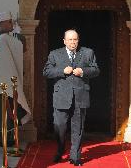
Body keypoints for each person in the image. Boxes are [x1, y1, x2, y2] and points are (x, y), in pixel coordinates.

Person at [43, 29, 100, 166]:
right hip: (61, 96)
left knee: (78, 128)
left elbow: (96, 70)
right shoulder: (55, 54)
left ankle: (75, 156)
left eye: (75, 39)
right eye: (70, 40)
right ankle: (61, 149)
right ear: (64, 41)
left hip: (80, 96)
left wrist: (83, 72)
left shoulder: (88, 53)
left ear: (78, 40)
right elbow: (46, 72)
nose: (73, 42)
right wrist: (62, 71)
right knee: (59, 126)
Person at [0, 11, 31, 146]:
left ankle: (10, 137)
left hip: (12, 76)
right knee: (1, 109)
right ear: (0, 24)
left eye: (9, 22)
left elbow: (23, 51)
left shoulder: (18, 38)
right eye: (8, 22)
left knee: (12, 107)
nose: (11, 24)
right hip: (0, 79)